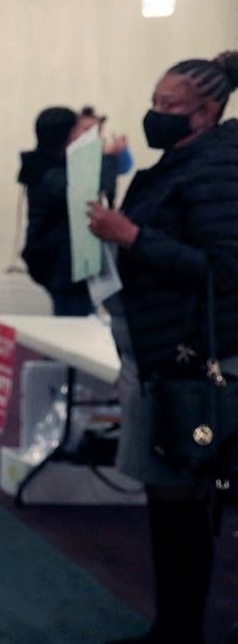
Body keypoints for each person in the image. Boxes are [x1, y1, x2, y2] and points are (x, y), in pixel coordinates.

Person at [86, 52, 238, 644]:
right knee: (171, 499)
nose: (155, 114)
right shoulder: (180, 163)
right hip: (164, 354)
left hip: (195, 360)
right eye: (154, 101)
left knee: (184, 498)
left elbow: (224, 271)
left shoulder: (219, 167)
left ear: (206, 112)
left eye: (168, 106)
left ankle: (179, 629)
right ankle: (174, 626)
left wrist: (133, 237)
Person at [19, 106, 124, 316]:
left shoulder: (50, 166)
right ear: (64, 135)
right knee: (73, 323)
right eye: (79, 130)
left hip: (64, 259)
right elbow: (96, 198)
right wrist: (109, 159)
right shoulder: (51, 172)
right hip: (61, 262)